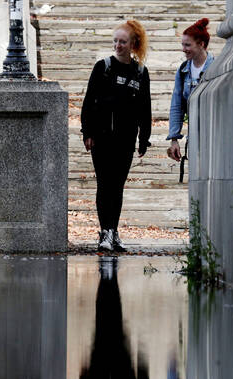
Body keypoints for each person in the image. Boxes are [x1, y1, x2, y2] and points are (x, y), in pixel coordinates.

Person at [80, 20, 152, 252]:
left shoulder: (140, 72)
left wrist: (144, 138)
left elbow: (145, 107)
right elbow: (89, 101)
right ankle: (104, 232)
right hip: (102, 138)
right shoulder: (103, 67)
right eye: (115, 41)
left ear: (133, 44)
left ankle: (114, 231)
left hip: (126, 139)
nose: (118, 45)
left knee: (118, 186)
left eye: (123, 42)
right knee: (105, 184)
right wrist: (87, 132)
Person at [79, 257, 149, 379]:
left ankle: (108, 280)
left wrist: (84, 378)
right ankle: (108, 280)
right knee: (112, 322)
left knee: (106, 322)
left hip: (104, 366)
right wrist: (142, 367)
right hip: (119, 365)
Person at [166, 18, 214, 178]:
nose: (183, 49)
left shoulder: (216, 67)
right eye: (182, 45)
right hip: (194, 136)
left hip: (214, 134)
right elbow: (176, 105)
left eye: (188, 45)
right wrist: (174, 138)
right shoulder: (183, 70)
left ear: (201, 44)